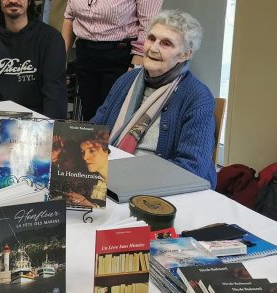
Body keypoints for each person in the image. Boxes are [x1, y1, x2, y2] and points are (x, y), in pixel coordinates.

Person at [91, 10, 217, 186]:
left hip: (161, 187)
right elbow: (94, 130)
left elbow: (192, 167)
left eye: (166, 44)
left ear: (185, 55)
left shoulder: (197, 97)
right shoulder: (126, 80)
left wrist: (130, 177)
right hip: (111, 176)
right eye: (151, 38)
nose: (153, 48)